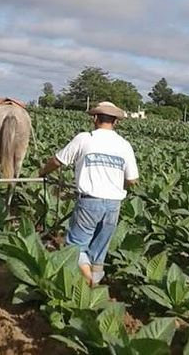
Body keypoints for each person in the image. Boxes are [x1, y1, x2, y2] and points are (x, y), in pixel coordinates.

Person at [38, 101, 138, 286]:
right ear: (116, 122)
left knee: (75, 247)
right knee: (99, 252)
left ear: (94, 118)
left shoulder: (85, 138)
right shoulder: (125, 145)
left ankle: (88, 281)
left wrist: (42, 172)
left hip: (90, 202)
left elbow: (58, 160)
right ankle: (94, 291)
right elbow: (132, 180)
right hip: (114, 205)